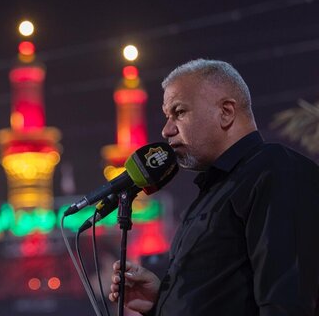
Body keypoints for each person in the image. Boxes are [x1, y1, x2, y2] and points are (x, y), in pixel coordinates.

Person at [109, 59, 319, 316]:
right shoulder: (212, 191)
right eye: (167, 116)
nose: (166, 130)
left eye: (179, 112)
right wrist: (161, 300)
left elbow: (287, 301)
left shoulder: (275, 171)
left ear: (226, 112)